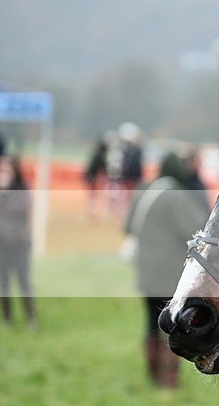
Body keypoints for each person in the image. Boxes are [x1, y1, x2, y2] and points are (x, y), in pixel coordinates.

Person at [125, 152, 210, 388]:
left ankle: (152, 374)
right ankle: (169, 380)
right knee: (172, 326)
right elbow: (196, 230)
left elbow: (129, 226)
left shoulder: (144, 190)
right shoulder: (177, 196)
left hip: (145, 271)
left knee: (151, 323)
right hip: (170, 274)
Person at [0, 156, 36, 330]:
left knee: (24, 282)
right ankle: (7, 320)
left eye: (7, 170)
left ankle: (31, 319)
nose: (3, 174)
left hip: (19, 243)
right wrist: (0, 192)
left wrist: (7, 193)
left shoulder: (22, 188)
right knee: (3, 283)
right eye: (1, 170)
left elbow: (22, 207)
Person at [84, 134, 109, 218]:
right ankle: (93, 212)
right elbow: (104, 169)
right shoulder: (101, 156)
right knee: (94, 197)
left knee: (92, 197)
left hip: (91, 177)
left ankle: (92, 212)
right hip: (93, 178)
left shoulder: (96, 154)